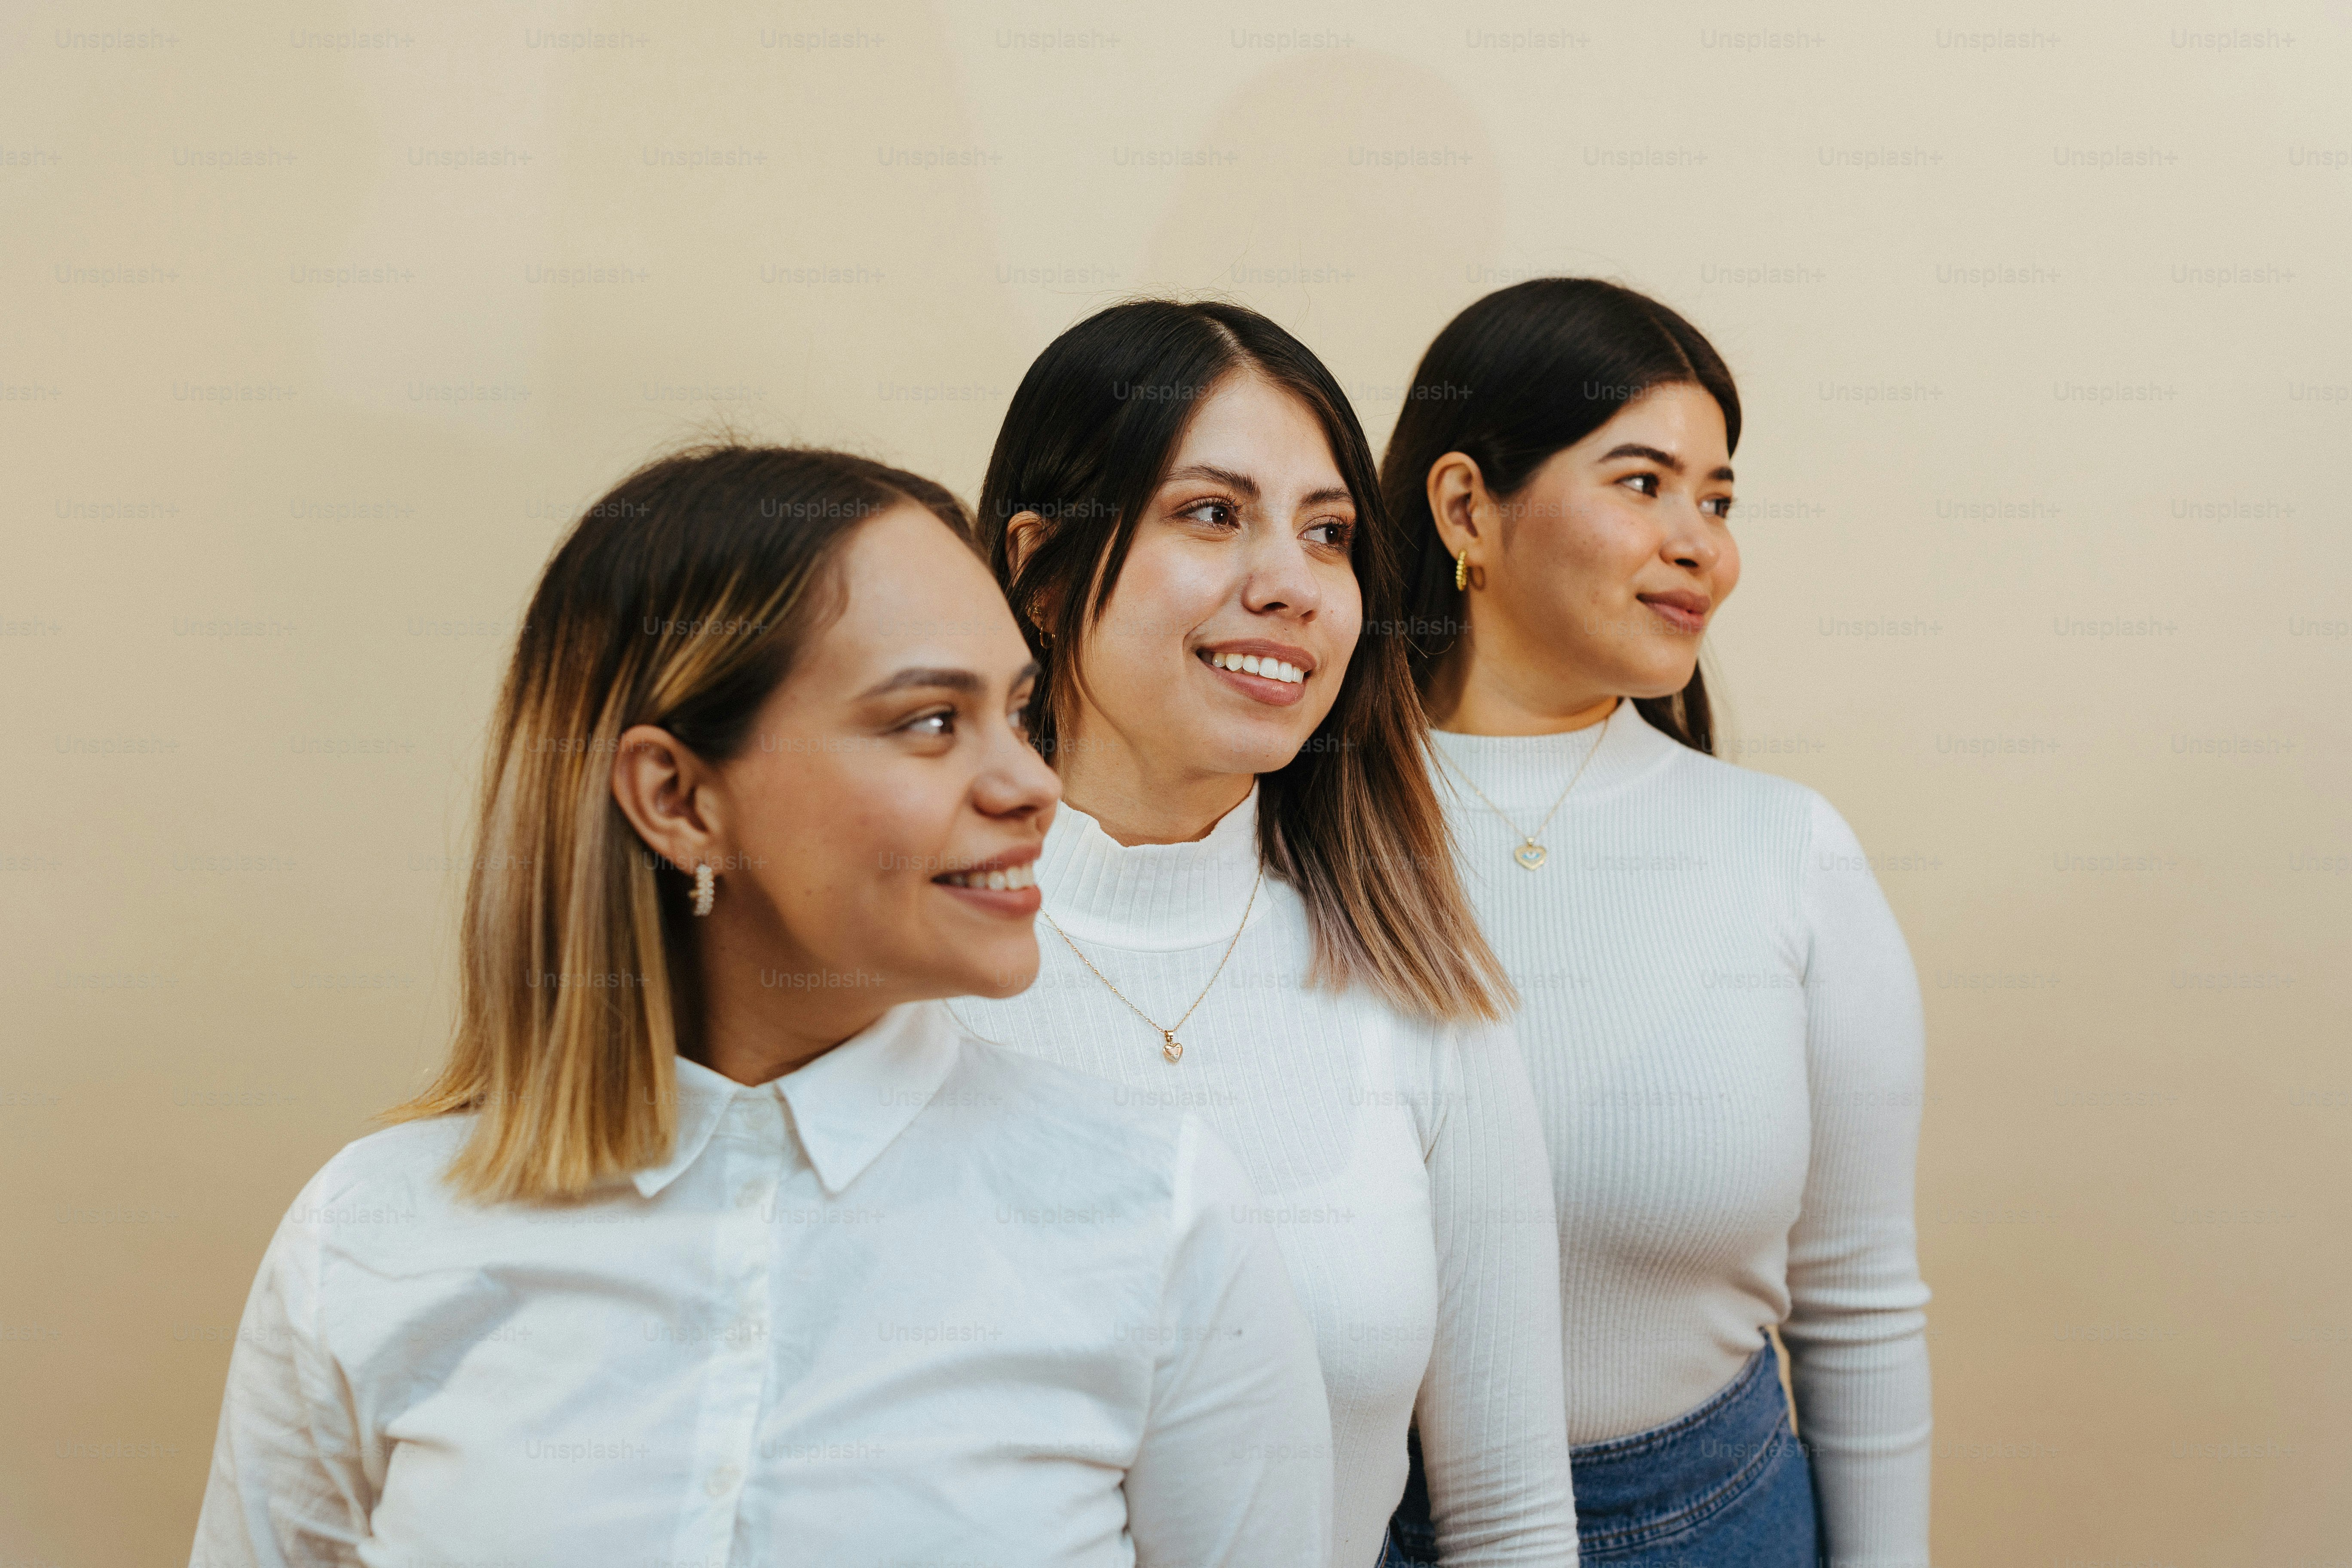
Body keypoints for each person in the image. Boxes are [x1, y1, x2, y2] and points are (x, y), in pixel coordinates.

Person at [190, 444, 1334, 1567]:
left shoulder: (1158, 1220)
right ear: (680, 798)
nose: (1032, 783)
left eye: (1016, 711)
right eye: (931, 721)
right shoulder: (368, 1238)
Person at [954, 300, 1579, 1568]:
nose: (1291, 584)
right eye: (1211, 513)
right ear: (1040, 565)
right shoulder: (892, 982)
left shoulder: (1419, 996)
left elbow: (1510, 1520)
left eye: (1331, 534)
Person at [1378, 279, 1932, 1567]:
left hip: (1713, 1519)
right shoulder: (1303, 829)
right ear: (1467, 507)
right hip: (1345, 1518)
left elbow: (1857, 1305)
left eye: (1720, 500)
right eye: (1644, 484)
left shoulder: (1789, 853)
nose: (1705, 546)